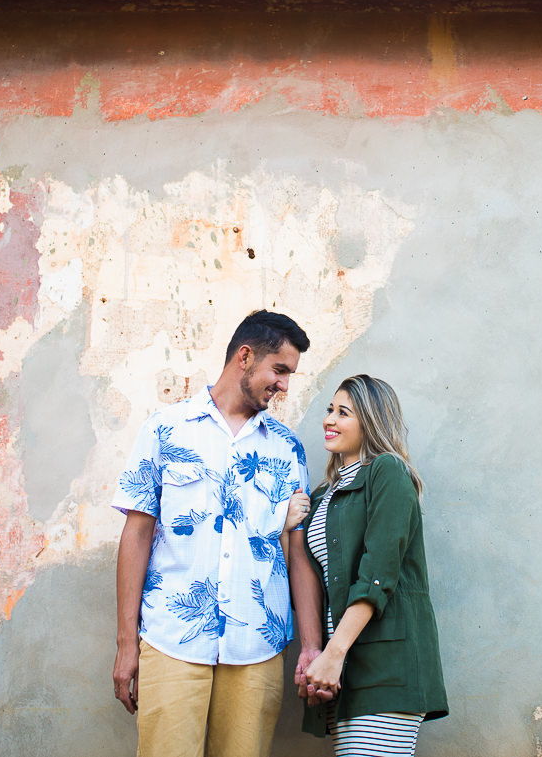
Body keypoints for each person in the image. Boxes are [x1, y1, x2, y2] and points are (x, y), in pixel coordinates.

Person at [111, 309, 324, 757]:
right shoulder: (164, 430)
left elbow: (297, 553)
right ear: (245, 357)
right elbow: (136, 537)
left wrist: (310, 646)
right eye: (280, 370)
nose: (285, 385)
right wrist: (127, 644)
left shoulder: (287, 448)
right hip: (172, 638)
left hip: (257, 646)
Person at [297, 374, 448, 756]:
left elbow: (377, 575)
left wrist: (333, 655)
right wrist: (289, 531)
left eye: (343, 412)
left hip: (384, 664)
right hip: (343, 666)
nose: (329, 419)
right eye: (330, 410)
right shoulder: (322, 495)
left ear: (371, 420)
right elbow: (310, 579)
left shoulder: (388, 472)